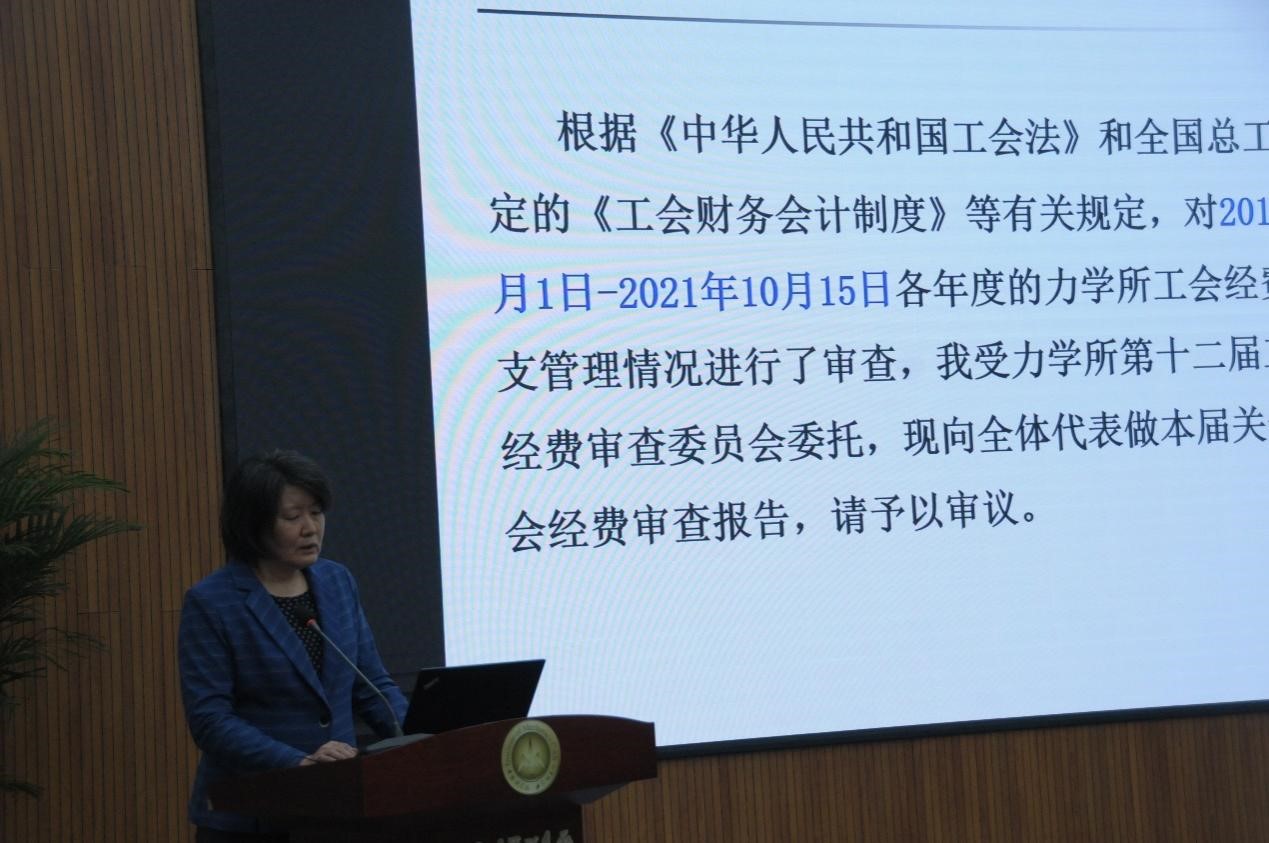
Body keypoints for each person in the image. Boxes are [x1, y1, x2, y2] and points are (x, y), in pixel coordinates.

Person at [178, 450, 407, 841]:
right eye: (292, 516)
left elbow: (372, 686)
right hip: (250, 815)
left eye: (316, 513)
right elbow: (211, 720)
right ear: (253, 523)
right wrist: (296, 762)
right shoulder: (212, 602)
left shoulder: (337, 582)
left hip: (339, 807)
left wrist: (421, 739)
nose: (310, 528)